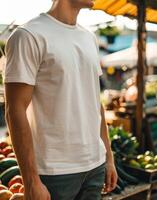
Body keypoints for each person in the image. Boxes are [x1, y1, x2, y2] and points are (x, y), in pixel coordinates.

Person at [4, 0, 117, 200]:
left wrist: (108, 157)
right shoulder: (28, 35)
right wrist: (31, 181)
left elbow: (94, 102)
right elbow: (15, 111)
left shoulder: (89, 37)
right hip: (54, 172)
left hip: (95, 167)